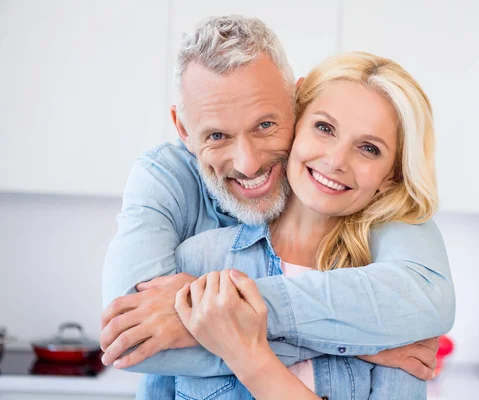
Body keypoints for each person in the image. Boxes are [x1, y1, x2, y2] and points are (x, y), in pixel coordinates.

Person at [99, 15, 454, 398]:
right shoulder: (194, 249)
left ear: (295, 104)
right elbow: (131, 339)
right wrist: (362, 343)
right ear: (183, 130)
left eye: (265, 125)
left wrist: (235, 328)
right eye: (217, 135)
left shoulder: (385, 271)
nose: (248, 163)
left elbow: (427, 299)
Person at [172, 50, 445, 399]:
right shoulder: (198, 261)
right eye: (324, 128)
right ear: (294, 122)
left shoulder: (395, 307)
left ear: (390, 177)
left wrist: (250, 356)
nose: (335, 161)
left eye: (368, 148)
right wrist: (352, 343)